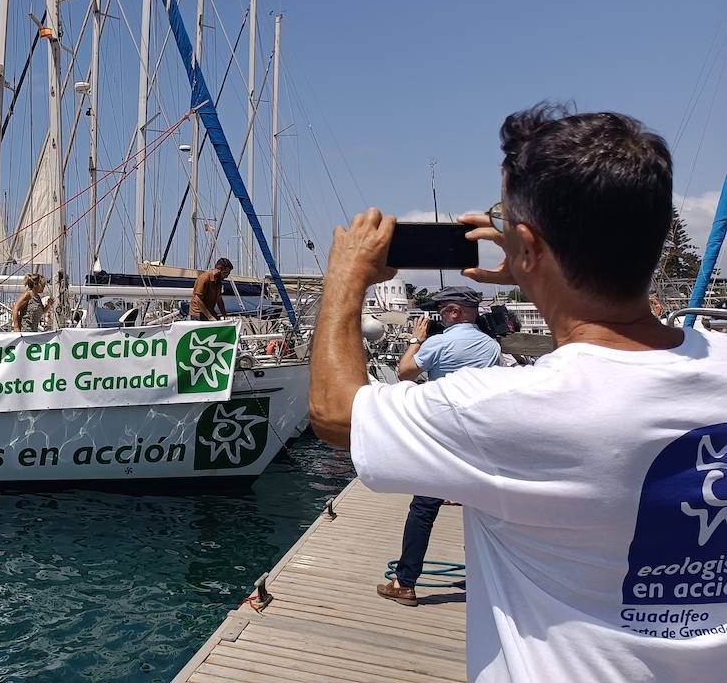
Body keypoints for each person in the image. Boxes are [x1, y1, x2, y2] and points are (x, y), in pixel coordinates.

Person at [309, 105, 727, 681]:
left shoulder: (503, 409)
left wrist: (344, 278)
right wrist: (539, 269)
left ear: (525, 245)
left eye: (503, 217)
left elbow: (336, 414)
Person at [380, 286, 501, 607]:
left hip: (444, 438)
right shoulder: (491, 346)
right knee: (480, 509)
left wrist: (416, 339)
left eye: (442, 310)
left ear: (455, 312)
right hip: (477, 439)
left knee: (423, 509)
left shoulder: (439, 342)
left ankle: (405, 583)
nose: (439, 317)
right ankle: (481, 574)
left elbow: (404, 373)